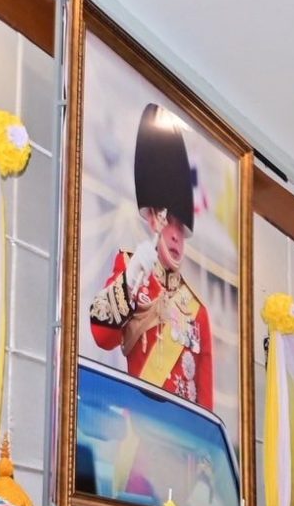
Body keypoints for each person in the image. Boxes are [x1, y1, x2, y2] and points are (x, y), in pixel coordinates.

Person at [89, 103, 214, 409]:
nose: (175, 234)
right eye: (168, 221)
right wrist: (132, 277)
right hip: (139, 427)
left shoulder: (197, 312)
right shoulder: (130, 269)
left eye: (181, 226)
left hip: (181, 436)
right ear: (152, 220)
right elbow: (102, 337)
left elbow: (205, 403)